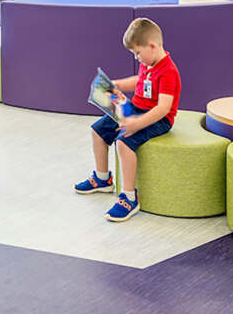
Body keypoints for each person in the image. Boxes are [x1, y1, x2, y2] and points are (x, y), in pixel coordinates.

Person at [74, 18, 180, 222]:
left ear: (152, 46)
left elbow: (163, 108)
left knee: (123, 142)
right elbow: (140, 81)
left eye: (137, 53)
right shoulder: (149, 63)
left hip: (158, 118)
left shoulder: (168, 71)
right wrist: (119, 85)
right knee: (97, 130)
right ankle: (102, 178)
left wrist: (138, 123)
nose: (137, 58)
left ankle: (129, 197)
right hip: (136, 109)